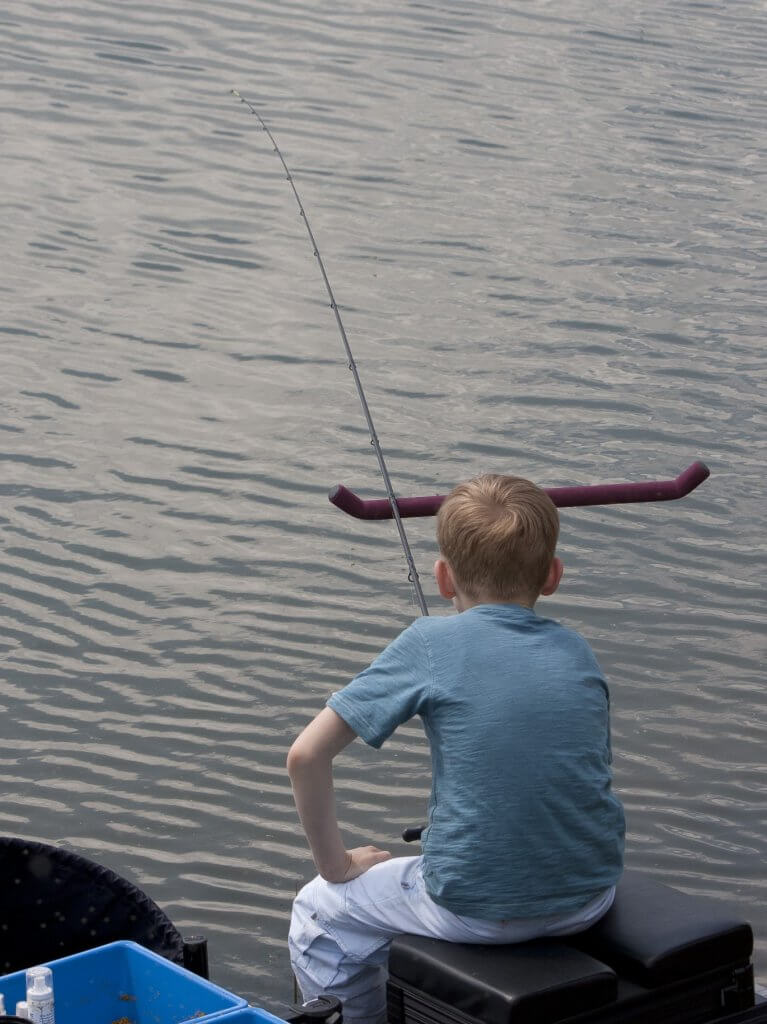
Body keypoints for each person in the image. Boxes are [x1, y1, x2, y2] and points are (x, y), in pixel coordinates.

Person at [287, 474, 625, 1024]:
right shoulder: (577, 650)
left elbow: (306, 756)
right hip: (588, 897)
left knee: (319, 914)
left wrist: (339, 865)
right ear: (553, 576)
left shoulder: (428, 640)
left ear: (444, 578)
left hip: (474, 907)